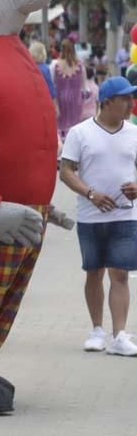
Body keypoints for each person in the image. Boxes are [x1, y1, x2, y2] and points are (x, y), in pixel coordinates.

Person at [59, 76, 137, 357]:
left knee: (120, 274)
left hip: (126, 217)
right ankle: (96, 330)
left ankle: (119, 335)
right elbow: (66, 171)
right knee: (94, 272)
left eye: (132, 98)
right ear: (107, 102)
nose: (131, 104)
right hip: (91, 216)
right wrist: (90, 193)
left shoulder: (134, 133)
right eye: (125, 99)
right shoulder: (80, 133)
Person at [54, 38, 86, 138]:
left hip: (61, 100)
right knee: (75, 128)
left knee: (62, 128)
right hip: (76, 100)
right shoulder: (80, 66)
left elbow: (53, 85)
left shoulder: (55, 65)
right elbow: (84, 87)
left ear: (61, 50)